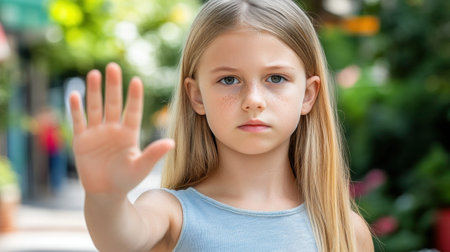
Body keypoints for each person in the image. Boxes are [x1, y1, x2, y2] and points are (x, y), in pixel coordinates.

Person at [69, 0, 374, 251]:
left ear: (308, 95)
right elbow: (119, 239)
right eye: (229, 80)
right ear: (196, 95)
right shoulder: (170, 213)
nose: (253, 100)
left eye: (276, 78)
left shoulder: (347, 232)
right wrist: (105, 197)